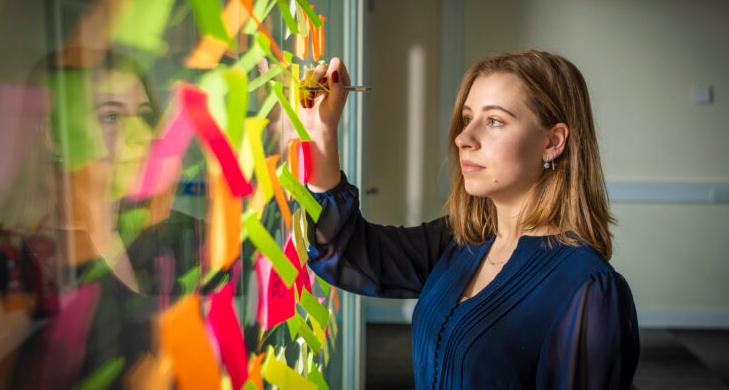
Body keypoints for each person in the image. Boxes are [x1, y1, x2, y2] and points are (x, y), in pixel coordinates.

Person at [299, 50, 640, 389]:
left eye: (494, 121)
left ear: (552, 143)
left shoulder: (588, 288)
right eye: (467, 118)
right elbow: (345, 252)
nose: (463, 139)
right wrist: (323, 132)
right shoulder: (461, 240)